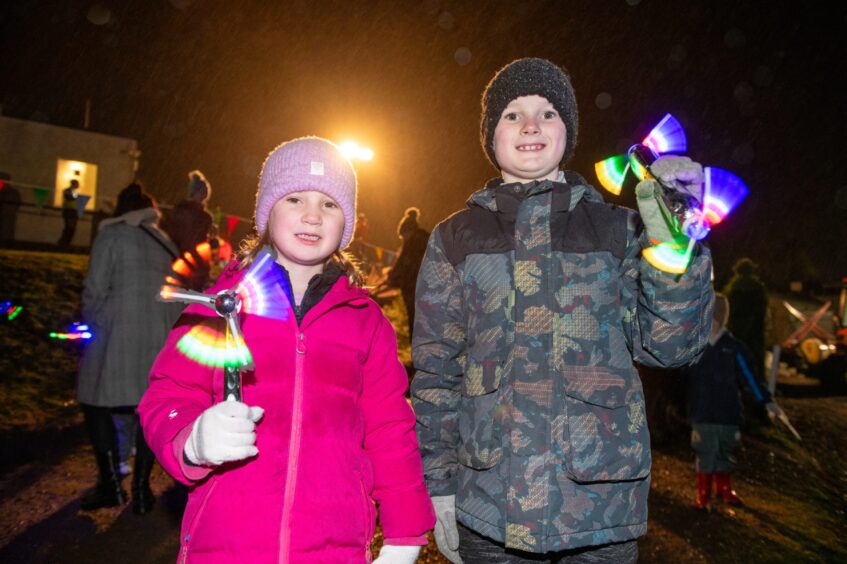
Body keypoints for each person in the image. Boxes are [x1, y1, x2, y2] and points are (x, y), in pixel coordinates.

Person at [411, 57, 715, 563]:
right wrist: (436, 482)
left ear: (567, 131)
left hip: (599, 509)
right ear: (490, 135)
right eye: (512, 114)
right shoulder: (455, 238)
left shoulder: (618, 229)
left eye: (548, 112)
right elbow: (437, 373)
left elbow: (670, 348)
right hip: (489, 506)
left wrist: (674, 256)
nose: (530, 125)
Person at [138, 137, 435, 563]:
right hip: (227, 546)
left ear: (347, 221)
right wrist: (192, 440)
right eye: (295, 198)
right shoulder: (222, 308)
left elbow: (391, 431)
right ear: (267, 211)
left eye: (330, 204)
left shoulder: (366, 321)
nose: (312, 215)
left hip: (333, 547)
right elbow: (167, 394)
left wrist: (405, 535)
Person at [76, 182, 183, 513]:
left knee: (95, 403)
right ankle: (140, 491)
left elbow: (95, 287)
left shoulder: (112, 234)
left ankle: (111, 486)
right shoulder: (165, 243)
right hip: (158, 334)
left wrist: (92, 319)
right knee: (146, 410)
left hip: (116, 334)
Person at [687, 293, 782, 510]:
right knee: (705, 450)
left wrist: (765, 400)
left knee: (725, 450)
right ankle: (703, 493)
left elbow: (750, 376)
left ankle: (724, 488)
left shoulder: (734, 348)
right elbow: (679, 375)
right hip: (703, 413)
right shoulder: (695, 347)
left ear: (719, 318)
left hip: (728, 412)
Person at [376, 207, 430, 335]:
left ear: (407, 231)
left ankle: (416, 348)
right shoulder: (427, 238)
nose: (403, 240)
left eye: (403, 237)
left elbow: (403, 265)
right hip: (431, 285)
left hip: (414, 287)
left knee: (414, 318)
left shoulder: (412, 243)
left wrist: (390, 277)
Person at [160, 170, 216, 289]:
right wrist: (202, 266)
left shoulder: (177, 212)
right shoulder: (201, 217)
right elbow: (194, 244)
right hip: (193, 268)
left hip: (173, 263)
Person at [722, 257, 769, 380]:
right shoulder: (757, 287)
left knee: (736, 357)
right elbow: (762, 308)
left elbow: (728, 309)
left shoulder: (732, 287)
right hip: (754, 330)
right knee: (755, 359)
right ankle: (756, 385)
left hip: (736, 328)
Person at [57, 179, 80, 247]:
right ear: (74, 184)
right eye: (77, 184)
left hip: (73, 211)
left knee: (72, 228)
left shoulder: (74, 192)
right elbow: (70, 198)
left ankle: (66, 242)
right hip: (69, 210)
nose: (78, 185)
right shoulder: (67, 191)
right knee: (69, 227)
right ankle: (63, 242)